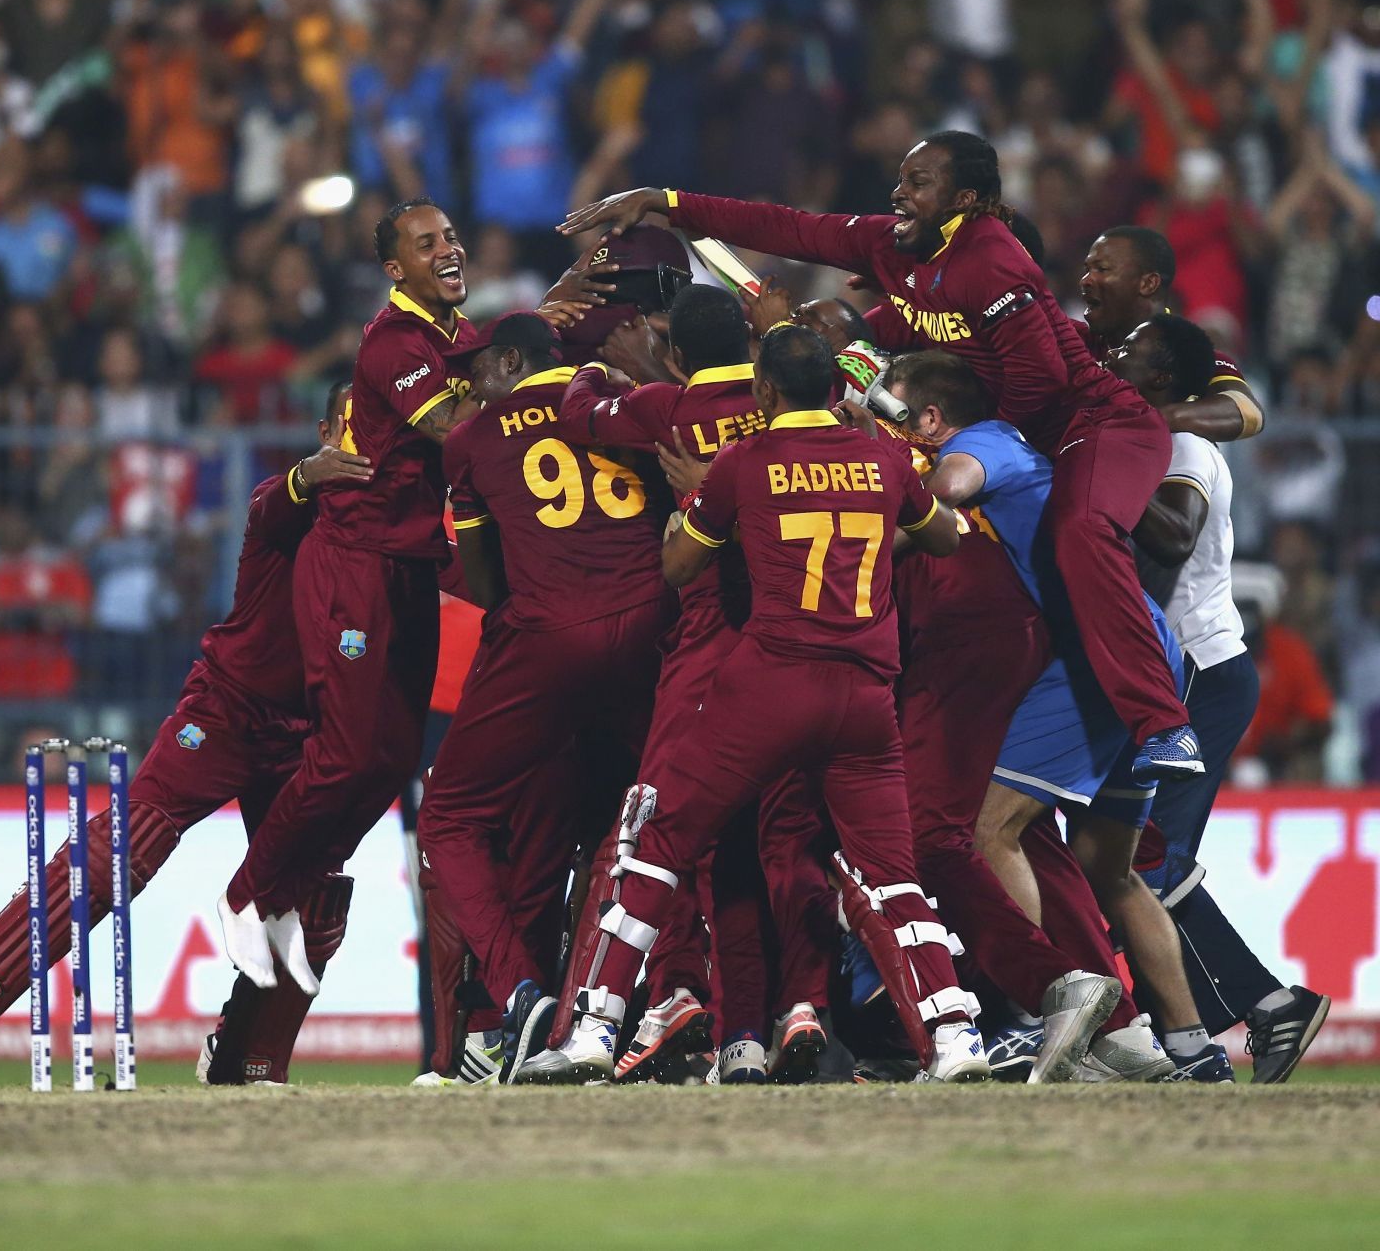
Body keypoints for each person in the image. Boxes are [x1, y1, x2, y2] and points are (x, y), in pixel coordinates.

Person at [561, 131, 1205, 780]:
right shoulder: (896, 252)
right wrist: (665, 201)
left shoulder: (990, 261)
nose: (900, 191)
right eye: (901, 177)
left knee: (1081, 529)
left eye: (919, 181)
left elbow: (1043, 384)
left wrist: (972, 439)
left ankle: (1164, 724)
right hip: (1014, 446)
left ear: (967, 199)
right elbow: (789, 227)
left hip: (1097, 425)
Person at [517, 326, 985, 1086]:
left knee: (661, 839)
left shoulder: (745, 460)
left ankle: (595, 1030)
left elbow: (680, 564)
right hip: (865, 696)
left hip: (770, 684)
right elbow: (943, 537)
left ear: (765, 393)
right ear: (835, 390)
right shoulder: (885, 460)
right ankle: (956, 1035)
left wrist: (688, 507)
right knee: (888, 873)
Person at [0, 387, 373, 1086]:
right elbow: (271, 504)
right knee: (129, 842)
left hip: (313, 729)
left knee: (316, 896)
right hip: (229, 709)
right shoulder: (289, 501)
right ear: (325, 432)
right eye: (355, 424)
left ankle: (245, 1059)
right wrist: (312, 472)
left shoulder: (399, 526)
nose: (368, 440)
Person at [917, 348, 1203, 1081]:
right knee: (1112, 871)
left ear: (931, 417)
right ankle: (1187, 1052)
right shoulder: (1025, 442)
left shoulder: (977, 443)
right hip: (1137, 648)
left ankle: (1035, 1013)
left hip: (1092, 664)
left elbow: (951, 487)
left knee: (988, 829)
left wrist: (908, 500)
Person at [215, 198, 476, 993]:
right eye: (427, 244)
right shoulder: (395, 342)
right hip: (355, 565)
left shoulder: (457, 338)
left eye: (452, 236)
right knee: (342, 754)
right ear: (395, 270)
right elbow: (456, 430)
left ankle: (290, 894)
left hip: (409, 568)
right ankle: (243, 897)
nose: (448, 250)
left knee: (393, 759)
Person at [417, 312, 674, 1083]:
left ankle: (520, 998)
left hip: (547, 638)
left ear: (512, 362)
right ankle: (615, 1010)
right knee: (643, 814)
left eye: (476, 368)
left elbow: (489, 586)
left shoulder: (471, 440)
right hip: (654, 626)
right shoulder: (627, 396)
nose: (467, 383)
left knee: (451, 817)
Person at [551, 282, 778, 1085]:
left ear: (676, 353)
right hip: (799, 643)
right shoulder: (784, 400)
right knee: (757, 848)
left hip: (708, 646)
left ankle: (619, 1014)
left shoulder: (664, 409)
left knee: (656, 832)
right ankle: (756, 1029)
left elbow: (576, 416)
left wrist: (598, 374)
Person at [1110, 315, 1330, 1084]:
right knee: (1130, 860)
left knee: (1146, 863)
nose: (1114, 359)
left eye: (1130, 353)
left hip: (1197, 672)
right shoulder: (1155, 430)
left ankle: (1254, 1011)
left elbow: (1166, 553)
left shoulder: (1185, 449)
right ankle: (1218, 1022)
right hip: (1182, 672)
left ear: (1165, 376)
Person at [1077, 225, 1265, 442]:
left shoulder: (1186, 354)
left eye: (1102, 269)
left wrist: (1139, 422)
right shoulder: (1074, 340)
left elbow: (1248, 411)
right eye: (1087, 269)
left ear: (1148, 283)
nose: (1086, 280)